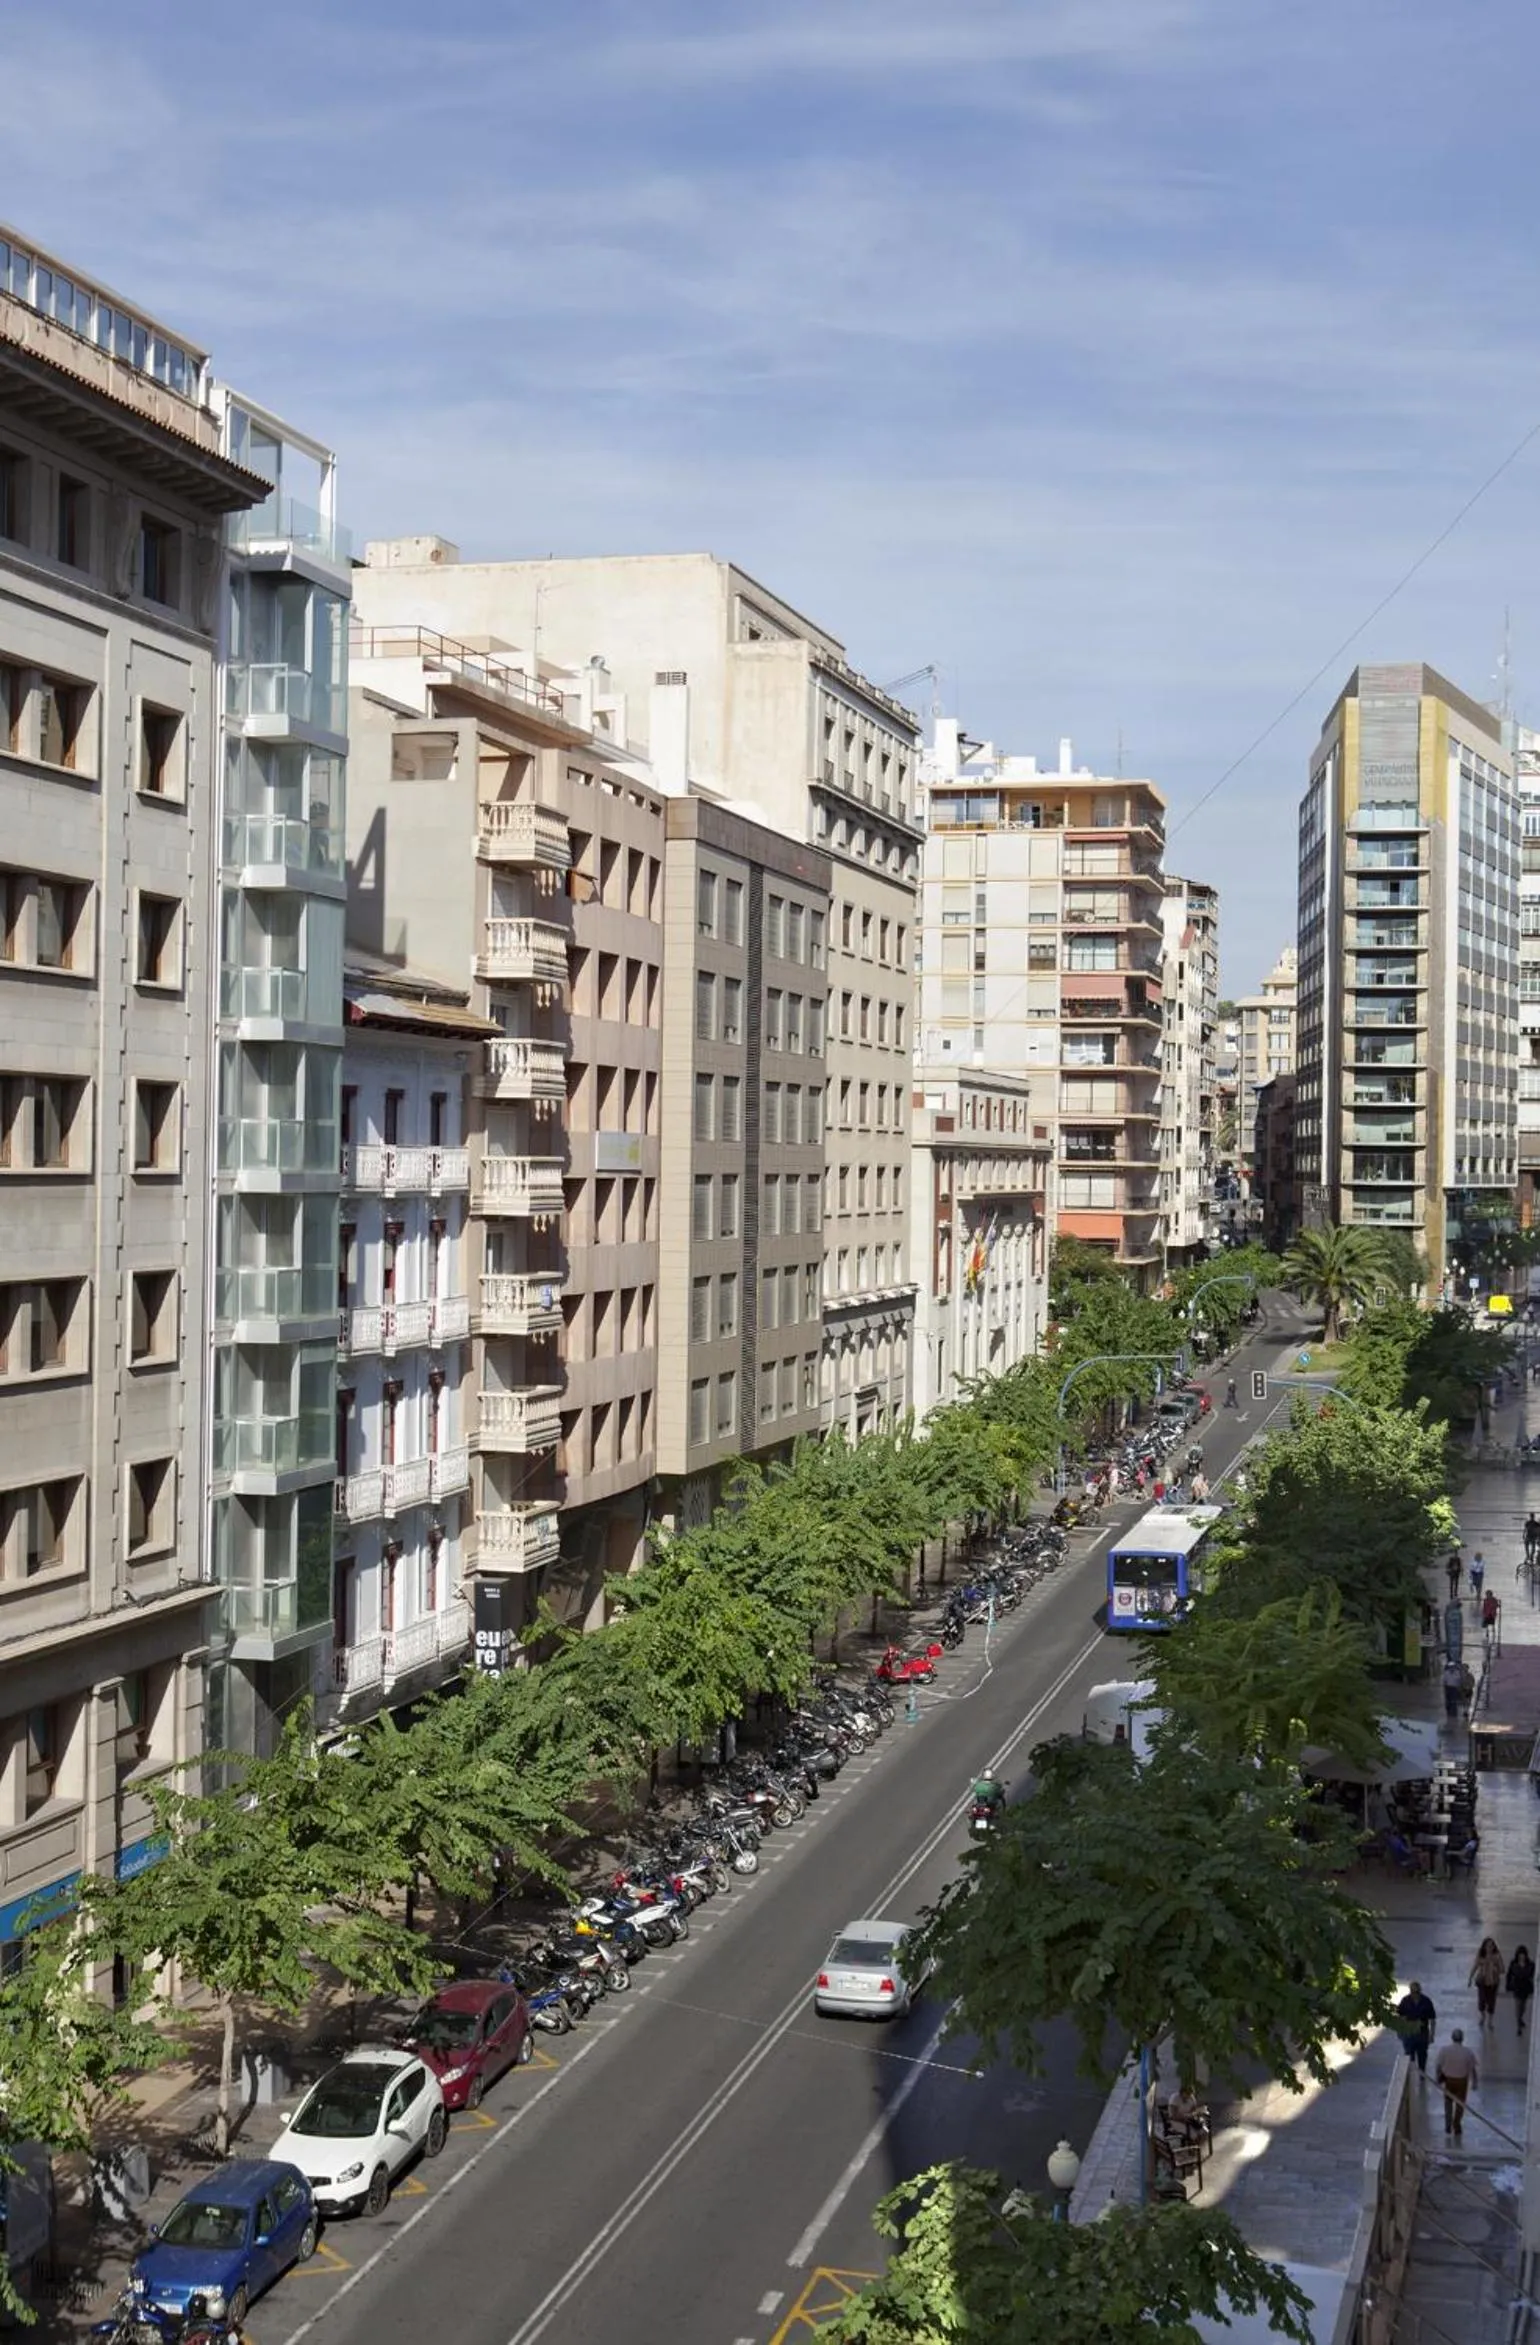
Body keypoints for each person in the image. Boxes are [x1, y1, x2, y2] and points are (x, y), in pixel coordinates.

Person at [1435, 2029, 1478, 2138]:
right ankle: (1456, 2124)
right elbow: (1473, 2068)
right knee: (1460, 2104)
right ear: (1462, 2038)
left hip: (1449, 2080)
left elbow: (1438, 2066)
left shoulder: (1444, 2050)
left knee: (1448, 2103)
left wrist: (1437, 2079)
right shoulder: (1468, 2052)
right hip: (1462, 2081)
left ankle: (1448, 2125)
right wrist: (1474, 2082)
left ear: (1452, 2037)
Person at [1396, 1981, 1437, 2075]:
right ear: (1410, 1991)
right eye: (1413, 1992)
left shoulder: (1426, 2001)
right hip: (1409, 2034)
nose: (1415, 1994)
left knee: (1422, 2056)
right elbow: (1399, 2016)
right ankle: (1411, 2075)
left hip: (1422, 2034)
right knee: (1409, 2057)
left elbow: (1432, 2019)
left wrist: (1432, 2034)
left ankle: (1422, 2074)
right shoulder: (1405, 2001)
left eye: (1417, 1992)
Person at [1471, 1937, 1504, 2025]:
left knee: (1491, 2001)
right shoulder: (1481, 1955)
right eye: (1488, 1946)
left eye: (1491, 1946)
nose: (1489, 1948)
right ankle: (1482, 2016)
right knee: (1481, 2000)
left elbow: (1502, 1969)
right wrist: (1470, 1978)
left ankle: (1490, 2020)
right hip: (1482, 1981)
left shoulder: (1497, 1956)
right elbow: (1475, 1966)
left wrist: (1496, 1969)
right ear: (1484, 1946)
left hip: (1493, 1982)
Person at [1509, 1945, 1536, 2036]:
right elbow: (1509, 1975)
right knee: (1518, 2006)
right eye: (1520, 1955)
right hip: (1517, 1988)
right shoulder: (1513, 1964)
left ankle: (1520, 2018)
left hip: (1525, 1988)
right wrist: (1508, 1985)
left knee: (1523, 2007)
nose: (1522, 1956)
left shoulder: (1530, 1964)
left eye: (1523, 1954)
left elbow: (1533, 1975)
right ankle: (1518, 2027)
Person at [1442, 1655, 1464, 1721]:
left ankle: (1454, 1713)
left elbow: (1460, 1680)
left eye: (1453, 1667)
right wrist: (1445, 1689)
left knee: (1454, 1701)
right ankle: (1449, 1712)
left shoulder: (1457, 1673)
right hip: (1448, 1688)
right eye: (1450, 1667)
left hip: (1455, 1688)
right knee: (1448, 1700)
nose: (1452, 1668)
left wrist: (1459, 1688)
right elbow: (1444, 1681)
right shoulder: (1446, 1673)